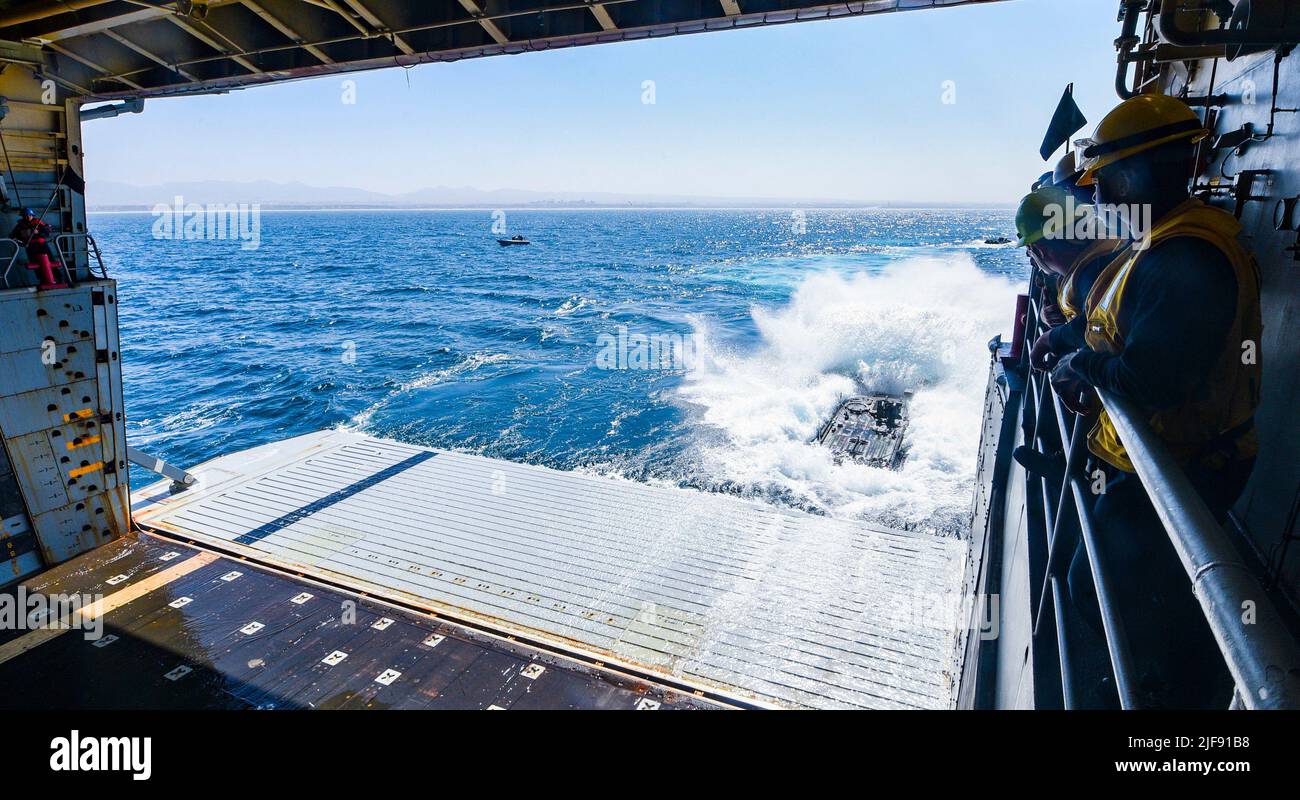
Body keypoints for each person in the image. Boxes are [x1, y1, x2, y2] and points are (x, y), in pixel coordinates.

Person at [1049, 93, 1261, 708]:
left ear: (1145, 171)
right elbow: (1113, 329)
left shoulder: (1184, 257)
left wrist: (1077, 364)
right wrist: (1076, 346)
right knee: (1138, 593)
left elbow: (1154, 380)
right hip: (1163, 459)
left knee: (1112, 595)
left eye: (1109, 180)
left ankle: (1164, 705)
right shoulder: (1164, 242)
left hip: (1183, 466)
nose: (1103, 198)